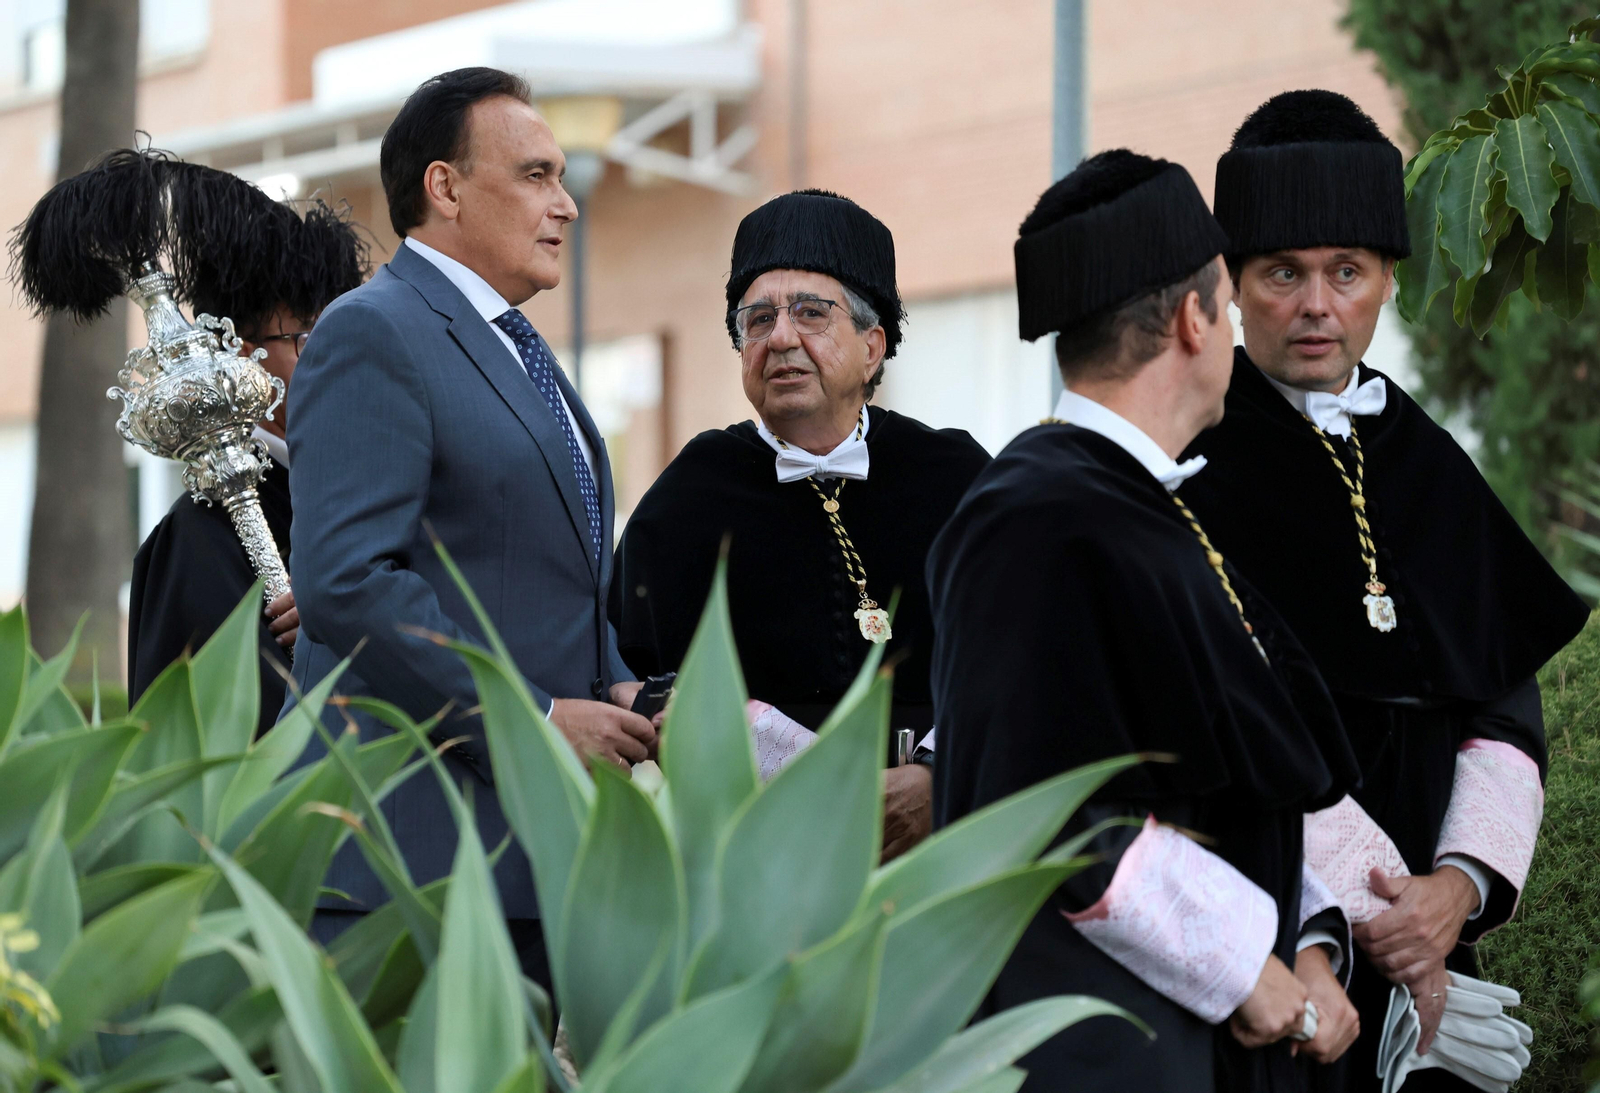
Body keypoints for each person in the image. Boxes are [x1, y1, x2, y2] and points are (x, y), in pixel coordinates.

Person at [928, 150, 1362, 1093]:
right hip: (1110, 1053)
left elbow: (1211, 780)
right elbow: (1044, 808)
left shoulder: (1133, 502)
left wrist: (1306, 940)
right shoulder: (1031, 516)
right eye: (1229, 305)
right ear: (1193, 320)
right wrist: (1246, 964)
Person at [1180, 90, 1589, 1091]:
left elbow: (1502, 710)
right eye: (1284, 272)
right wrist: (1380, 908)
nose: (1317, 305)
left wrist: (1454, 889)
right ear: (1232, 285)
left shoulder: (1428, 458)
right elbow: (1210, 730)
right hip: (1273, 952)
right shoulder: (1182, 464)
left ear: (1386, 281)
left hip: (1437, 967)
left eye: (1347, 271)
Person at [282, 68, 655, 989]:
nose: (566, 204)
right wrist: (536, 720)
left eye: (561, 176)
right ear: (444, 187)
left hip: (521, 855)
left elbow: (534, 574)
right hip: (409, 864)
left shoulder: (517, 348)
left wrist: (618, 682)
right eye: (535, 175)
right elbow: (349, 580)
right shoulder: (374, 330)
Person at [610, 190, 989, 859]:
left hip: (941, 849)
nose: (781, 338)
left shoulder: (954, 476)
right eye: (758, 320)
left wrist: (940, 778)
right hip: (754, 855)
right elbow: (631, 680)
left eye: (811, 312)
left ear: (872, 346)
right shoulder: (690, 495)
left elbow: (1023, 657)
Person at [128, 170, 369, 733]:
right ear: (240, 354)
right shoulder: (198, 538)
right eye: (307, 337)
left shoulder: (375, 490)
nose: (337, 358)